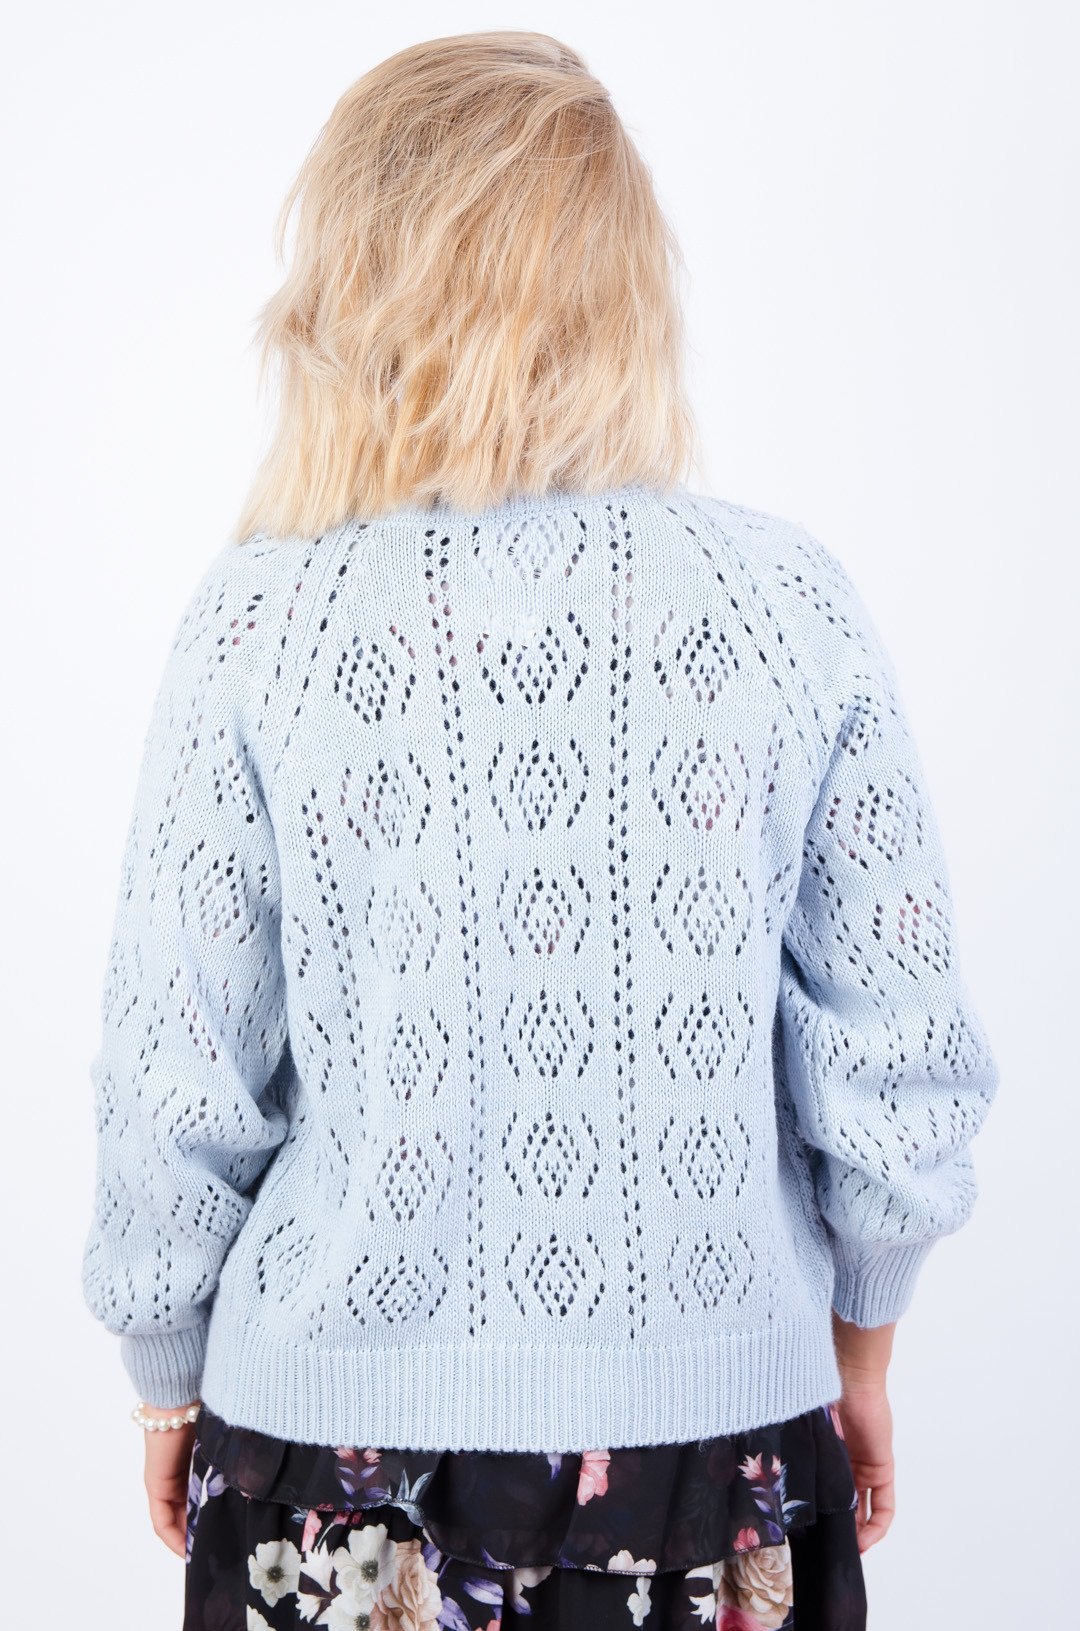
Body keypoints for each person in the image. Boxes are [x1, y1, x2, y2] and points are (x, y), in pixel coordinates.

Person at [80, 30, 1000, 1631]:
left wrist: (164, 1374)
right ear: (626, 286)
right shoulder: (785, 606)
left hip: (331, 1467)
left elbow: (179, 1063)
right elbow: (895, 1049)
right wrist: (863, 1346)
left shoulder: (264, 622)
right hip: (713, 1452)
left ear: (352, 285)